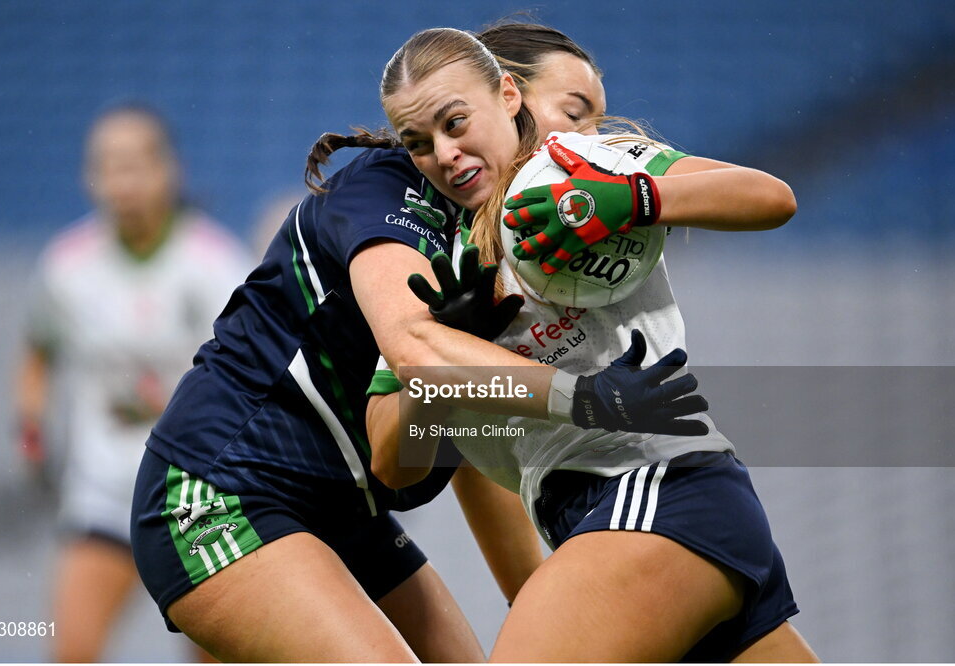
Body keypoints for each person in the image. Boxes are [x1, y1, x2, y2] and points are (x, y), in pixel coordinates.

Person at [128, 22, 705, 663]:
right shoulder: (386, 198)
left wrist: (541, 612)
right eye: (571, 112)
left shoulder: (497, 232)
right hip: (220, 490)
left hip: (341, 507)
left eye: (594, 118)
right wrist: (586, 398)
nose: (583, 138)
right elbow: (418, 356)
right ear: (508, 94)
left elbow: (450, 439)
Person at [367, 27, 819, 662]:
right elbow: (395, 460)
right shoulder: (439, 267)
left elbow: (770, 197)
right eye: (419, 142)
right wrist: (448, 359)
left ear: (507, 98)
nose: (442, 153)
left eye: (455, 124)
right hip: (616, 518)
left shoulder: (575, 168)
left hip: (653, 489)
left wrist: (634, 197)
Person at [15, 103, 252, 662]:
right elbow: (36, 351)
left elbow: (254, 374)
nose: (122, 181)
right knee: (71, 649)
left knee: (219, 655)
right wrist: (29, 425)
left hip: (200, 501)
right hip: (103, 498)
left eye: (135, 164)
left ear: (170, 169)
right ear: (88, 177)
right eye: (107, 165)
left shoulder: (217, 264)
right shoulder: (66, 267)